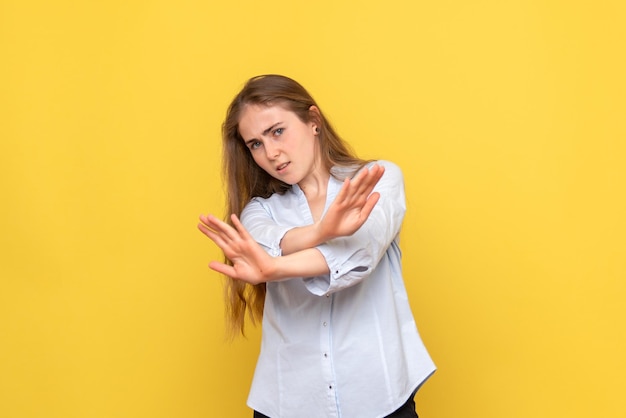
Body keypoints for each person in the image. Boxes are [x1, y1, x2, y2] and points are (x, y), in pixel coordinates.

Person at [198, 74, 435, 418]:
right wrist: (321, 230)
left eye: (277, 131)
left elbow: (359, 254)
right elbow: (266, 243)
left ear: (313, 121)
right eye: (255, 144)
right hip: (289, 402)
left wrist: (275, 268)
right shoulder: (259, 210)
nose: (271, 153)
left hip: (378, 397)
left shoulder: (378, 179)